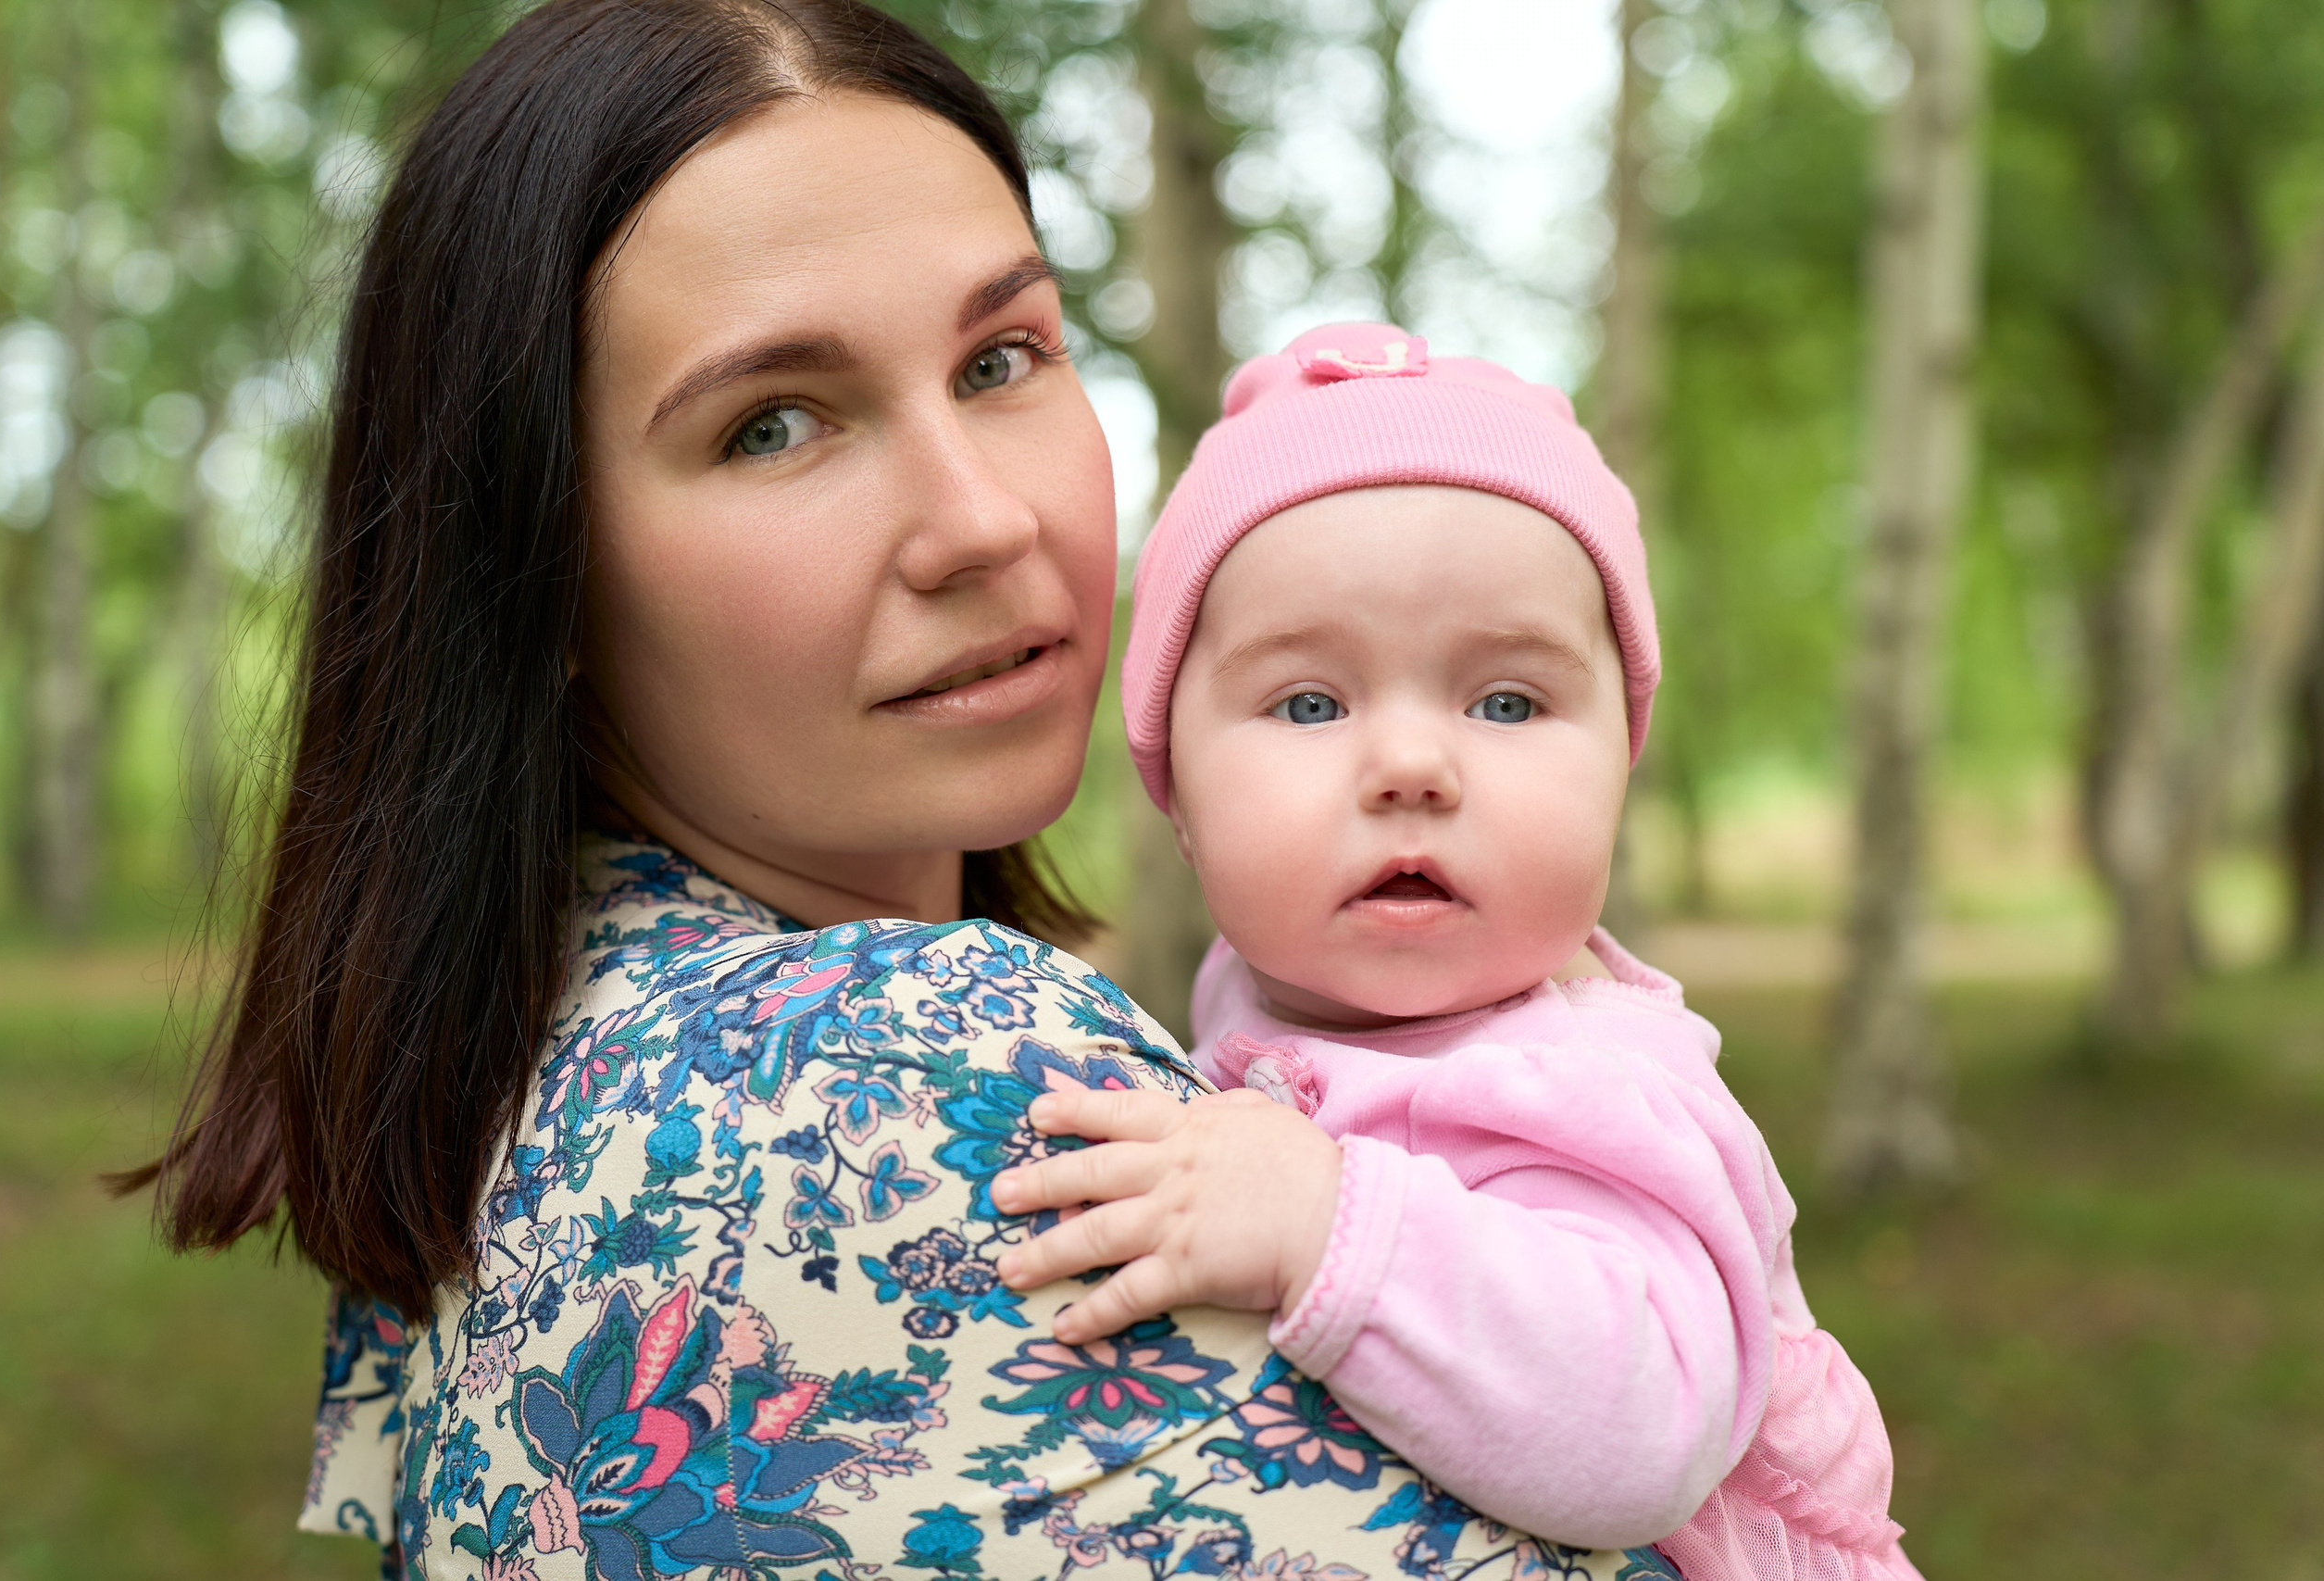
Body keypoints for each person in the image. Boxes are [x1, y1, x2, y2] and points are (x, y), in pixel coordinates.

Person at [127, 4, 1679, 1577]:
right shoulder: (877, 1074)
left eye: (1002, 357)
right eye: (774, 425)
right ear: (534, 577)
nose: (980, 520)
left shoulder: (515, 1051)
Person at [989, 324, 1921, 1581]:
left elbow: (1644, 1429)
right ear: (1178, 794)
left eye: (1507, 704)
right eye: (1311, 704)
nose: (1416, 769)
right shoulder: (1252, 995)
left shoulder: (1591, 1081)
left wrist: (1325, 1223)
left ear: (1620, 766)